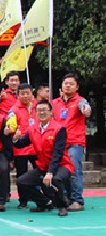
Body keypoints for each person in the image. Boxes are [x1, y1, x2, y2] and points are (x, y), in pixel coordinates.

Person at [13, 100, 73, 216]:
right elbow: (22, 144)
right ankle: (44, 202)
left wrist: (50, 173)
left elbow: (58, 153)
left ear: (51, 112)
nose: (42, 113)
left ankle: (62, 205)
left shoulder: (59, 129)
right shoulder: (32, 128)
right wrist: (15, 139)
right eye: (39, 110)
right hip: (43, 165)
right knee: (22, 181)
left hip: (62, 165)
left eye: (44, 110)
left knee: (56, 180)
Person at [51, 73, 91, 211]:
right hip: (59, 143)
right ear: (61, 85)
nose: (68, 86)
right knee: (63, 172)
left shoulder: (80, 101)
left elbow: (86, 108)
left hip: (75, 142)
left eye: (71, 84)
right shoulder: (54, 103)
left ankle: (77, 200)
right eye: (65, 83)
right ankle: (65, 198)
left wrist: (86, 111)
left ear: (77, 87)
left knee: (74, 169)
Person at [6, 83, 37, 209]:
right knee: (21, 175)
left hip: (37, 147)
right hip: (20, 148)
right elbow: (11, 126)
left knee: (41, 172)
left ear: (31, 94)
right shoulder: (13, 110)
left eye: (27, 93)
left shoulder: (38, 107)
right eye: (22, 93)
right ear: (18, 95)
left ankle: (44, 197)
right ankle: (23, 200)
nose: (25, 96)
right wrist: (11, 131)